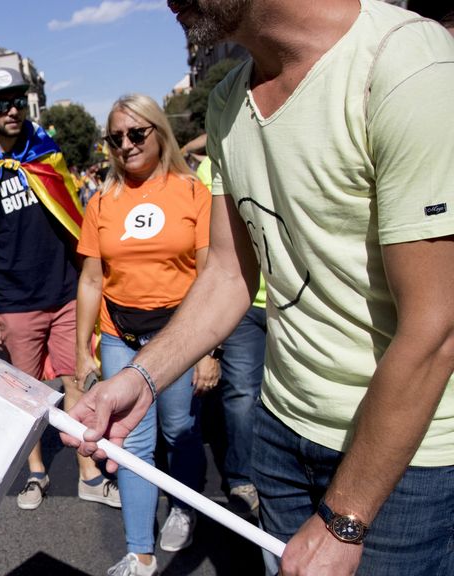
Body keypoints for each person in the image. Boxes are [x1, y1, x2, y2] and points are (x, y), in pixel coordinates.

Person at [65, 2, 454, 575]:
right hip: (281, 434)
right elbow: (227, 274)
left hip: (403, 463)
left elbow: (436, 326)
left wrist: (345, 518)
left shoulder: (406, 64)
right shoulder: (228, 102)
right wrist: (142, 378)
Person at [0, 67, 117, 512]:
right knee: (25, 394)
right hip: (15, 301)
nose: (12, 109)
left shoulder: (47, 153)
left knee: (78, 380)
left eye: (17, 101)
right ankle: (36, 472)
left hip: (65, 292)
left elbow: (74, 219)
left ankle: (88, 473)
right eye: (1, 103)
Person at [75, 94, 217, 576]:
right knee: (132, 440)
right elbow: (92, 280)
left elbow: (208, 273)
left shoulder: (192, 191)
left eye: (137, 134)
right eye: (116, 138)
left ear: (159, 132)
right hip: (119, 335)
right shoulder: (101, 200)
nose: (126, 145)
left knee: (180, 431)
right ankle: (139, 552)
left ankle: (184, 505)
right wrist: (82, 352)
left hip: (178, 335)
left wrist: (206, 350)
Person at [195, 156, 266, 514]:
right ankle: (241, 478)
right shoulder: (214, 167)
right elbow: (213, 246)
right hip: (245, 300)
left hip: (299, 299)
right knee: (241, 393)